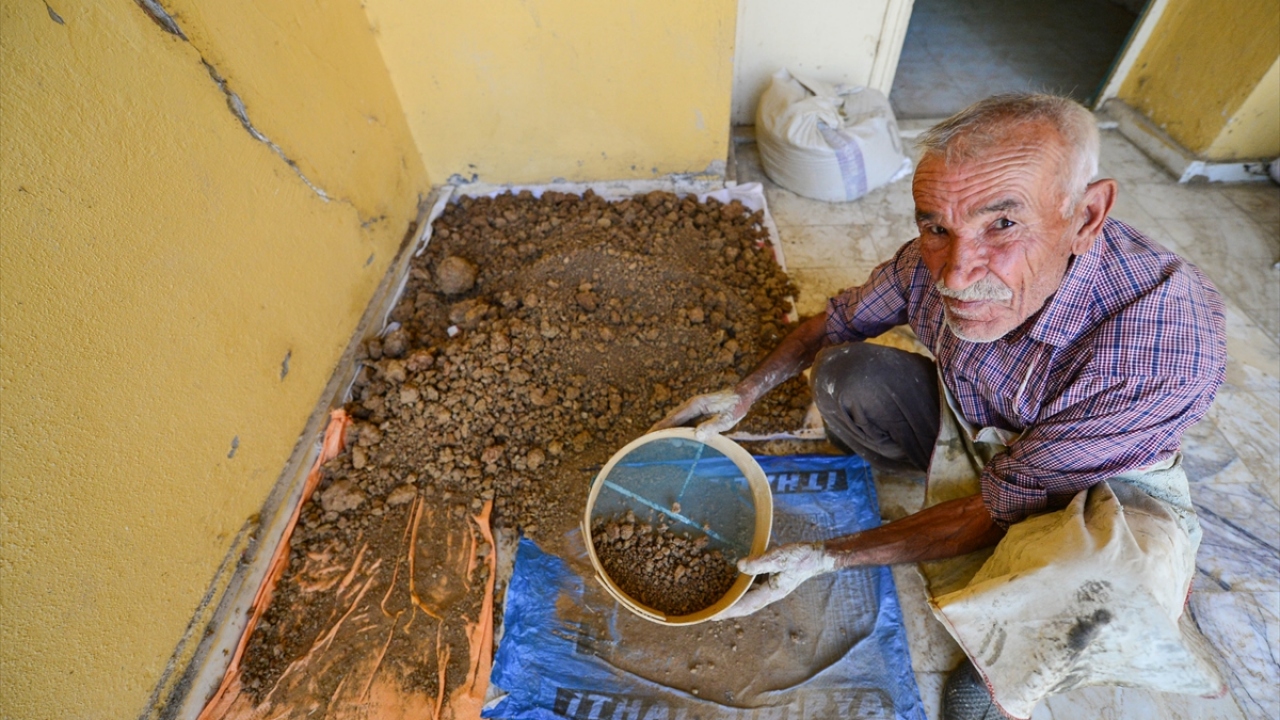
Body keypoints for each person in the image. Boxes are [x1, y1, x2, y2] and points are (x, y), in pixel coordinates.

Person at [653, 94, 1228, 720]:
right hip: (982, 422)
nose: (955, 274)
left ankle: (999, 673)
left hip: (1098, 477)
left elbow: (994, 508)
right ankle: (937, 486)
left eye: (1002, 225)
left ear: (1086, 215)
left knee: (1099, 578)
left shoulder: (1162, 342)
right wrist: (746, 392)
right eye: (937, 227)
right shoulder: (930, 260)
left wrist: (826, 557)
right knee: (847, 377)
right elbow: (838, 323)